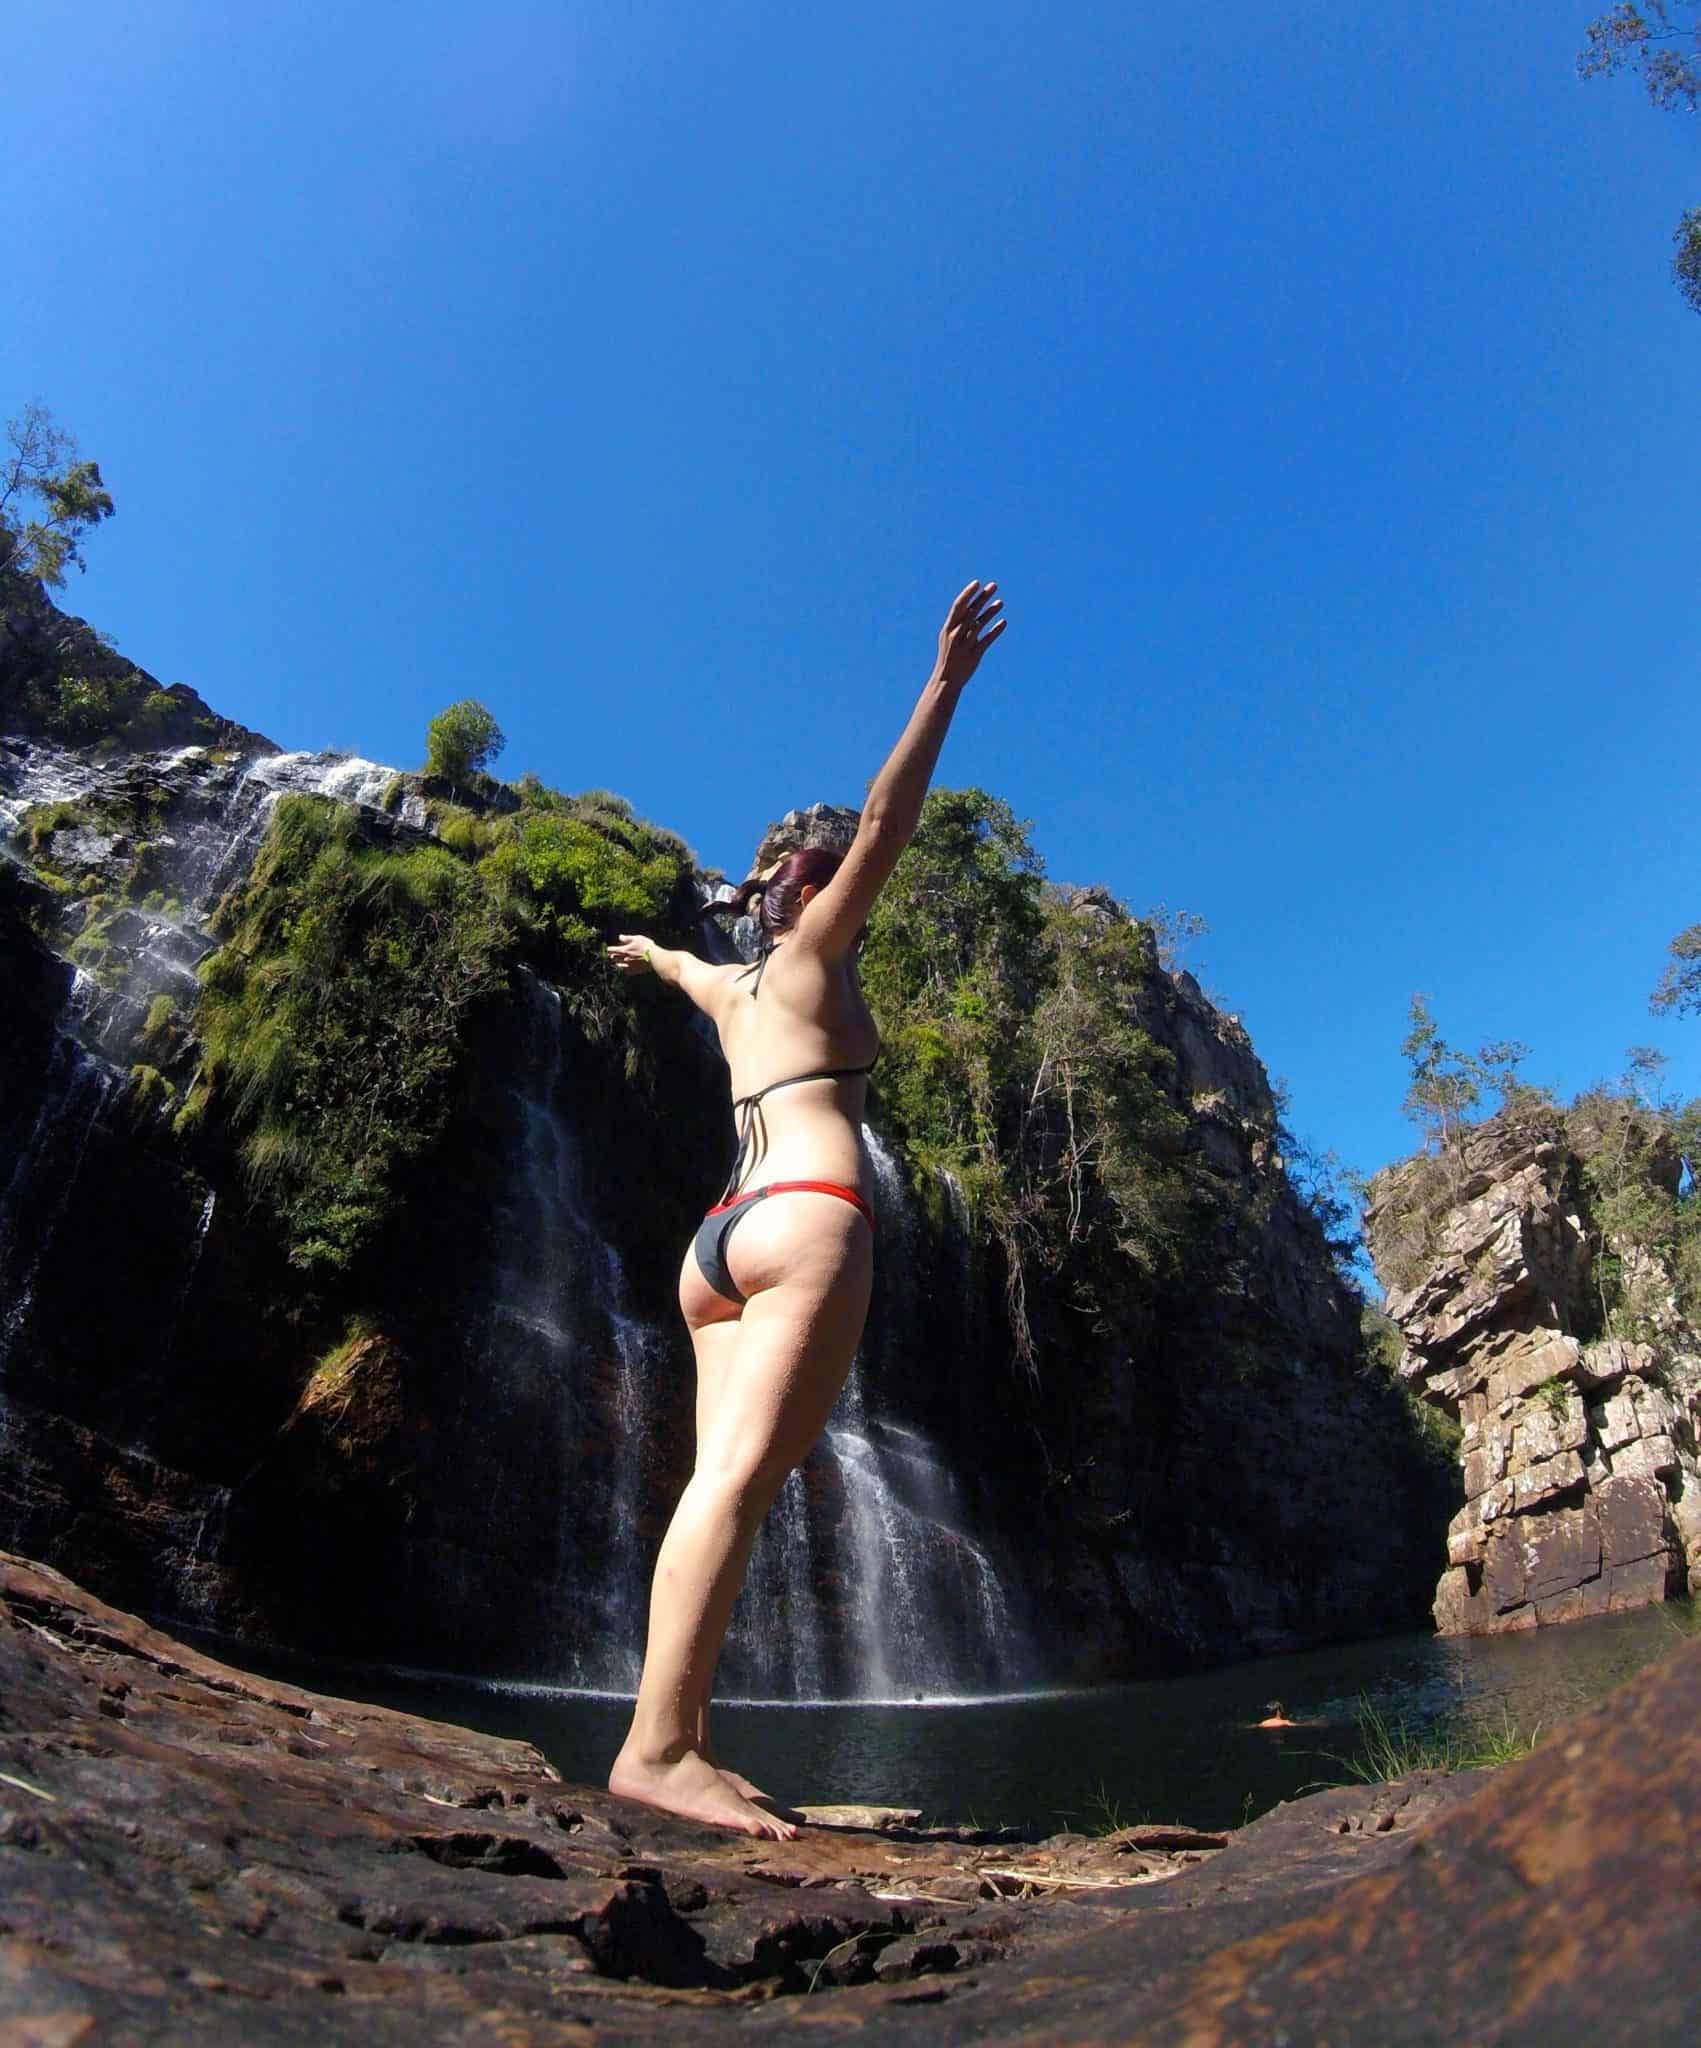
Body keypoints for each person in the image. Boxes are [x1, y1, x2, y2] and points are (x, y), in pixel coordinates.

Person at [601, 580, 1007, 1839]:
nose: (815, 882)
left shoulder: (729, 985)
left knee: (713, 1486)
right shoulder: (819, 955)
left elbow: (675, 963)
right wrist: (943, 684)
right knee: (735, 1483)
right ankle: (658, 1749)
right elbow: (887, 819)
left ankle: (691, 1741)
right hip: (807, 1213)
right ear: (809, 898)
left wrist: (644, 950)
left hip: (714, 1241)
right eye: (810, 876)